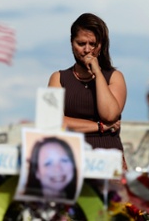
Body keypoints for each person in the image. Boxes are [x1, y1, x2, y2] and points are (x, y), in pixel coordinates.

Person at [47, 13, 127, 154]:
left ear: (100, 45)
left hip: (107, 156)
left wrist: (97, 73)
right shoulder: (58, 78)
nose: (87, 50)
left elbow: (109, 115)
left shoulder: (114, 77)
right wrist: (100, 127)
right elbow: (52, 121)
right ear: (72, 43)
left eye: (93, 44)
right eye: (81, 44)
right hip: (69, 156)